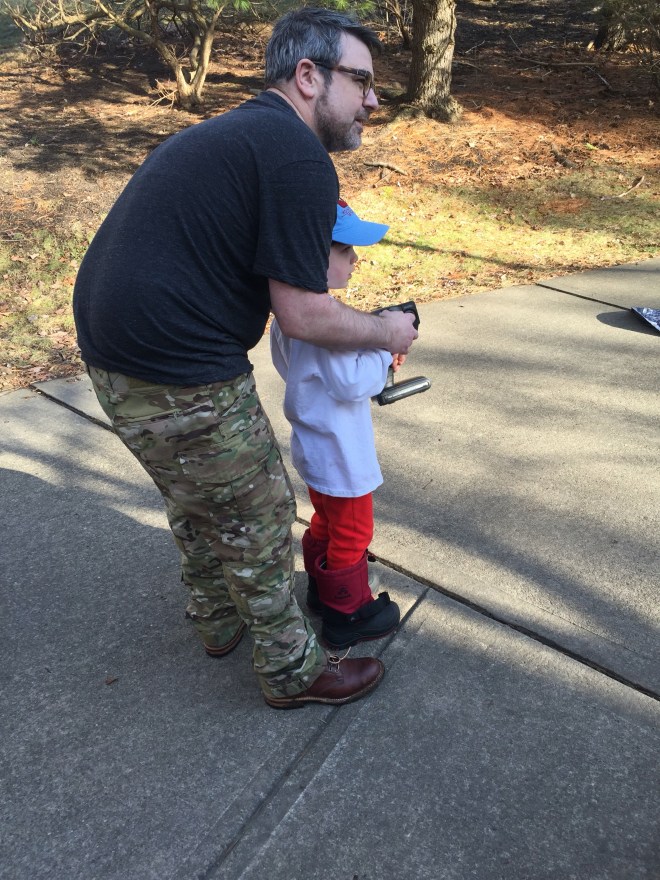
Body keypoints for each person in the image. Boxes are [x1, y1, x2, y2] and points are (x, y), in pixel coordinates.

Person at [72, 7, 418, 710]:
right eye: (361, 81)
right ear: (308, 76)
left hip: (114, 356)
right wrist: (388, 330)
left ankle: (217, 619)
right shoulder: (295, 155)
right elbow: (305, 313)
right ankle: (293, 671)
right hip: (176, 361)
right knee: (257, 516)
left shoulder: (240, 133)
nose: (374, 101)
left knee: (197, 497)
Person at [270, 199, 401, 650]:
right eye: (344, 250)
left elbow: (295, 369)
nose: (354, 259)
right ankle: (348, 613)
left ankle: (320, 592)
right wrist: (384, 350)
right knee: (353, 531)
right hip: (342, 451)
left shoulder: (288, 317)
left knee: (326, 521)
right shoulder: (326, 327)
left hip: (314, 444)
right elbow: (353, 383)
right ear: (310, 257)